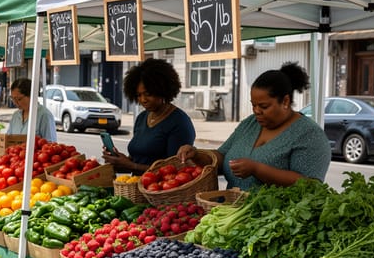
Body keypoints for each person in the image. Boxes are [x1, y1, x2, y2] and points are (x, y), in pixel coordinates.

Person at [178, 62, 331, 191]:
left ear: (285, 101)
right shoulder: (251, 123)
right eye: (254, 105)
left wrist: (258, 170)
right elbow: (222, 156)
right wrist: (197, 154)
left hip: (276, 220)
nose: (257, 111)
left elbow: (311, 185)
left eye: (264, 106)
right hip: (230, 209)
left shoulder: (309, 134)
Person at [102, 58, 195, 174]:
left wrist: (132, 165)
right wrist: (119, 161)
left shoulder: (179, 122)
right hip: (134, 188)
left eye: (148, 94)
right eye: (138, 95)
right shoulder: (141, 118)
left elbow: (175, 169)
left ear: (162, 90)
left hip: (160, 190)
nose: (143, 100)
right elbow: (136, 160)